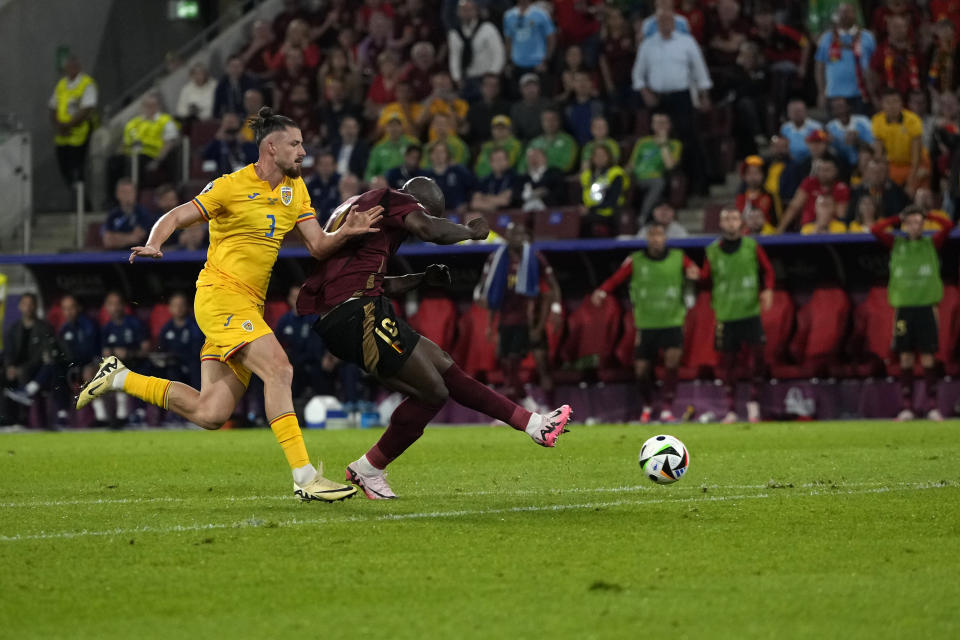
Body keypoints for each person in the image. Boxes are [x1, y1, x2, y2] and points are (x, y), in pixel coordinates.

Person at [76, 107, 384, 502]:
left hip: (247, 307)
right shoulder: (230, 186)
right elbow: (176, 215)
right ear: (271, 147)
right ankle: (305, 477)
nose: (303, 151)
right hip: (221, 297)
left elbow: (319, 245)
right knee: (279, 370)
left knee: (211, 413)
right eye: (296, 143)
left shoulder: (296, 189)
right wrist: (155, 242)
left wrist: (346, 232)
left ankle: (119, 377)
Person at [297, 176, 572, 499]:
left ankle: (534, 424)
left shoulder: (359, 209)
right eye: (421, 214)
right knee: (432, 392)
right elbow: (430, 230)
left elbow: (375, 280)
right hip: (357, 313)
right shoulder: (393, 198)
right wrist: (470, 233)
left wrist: (421, 279)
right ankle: (370, 467)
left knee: (443, 366)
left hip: (359, 308)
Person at [591, 222, 700, 423]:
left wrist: (694, 274)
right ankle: (648, 404)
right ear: (647, 238)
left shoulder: (678, 257)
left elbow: (695, 271)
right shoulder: (636, 260)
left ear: (665, 238)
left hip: (672, 320)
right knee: (641, 370)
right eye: (652, 235)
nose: (656, 239)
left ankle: (667, 407)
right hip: (646, 323)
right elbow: (617, 278)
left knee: (672, 364)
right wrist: (601, 290)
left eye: (660, 235)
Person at [871, 205, 954, 421]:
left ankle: (932, 406)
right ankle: (906, 407)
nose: (916, 226)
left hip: (927, 308)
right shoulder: (896, 244)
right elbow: (876, 230)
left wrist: (929, 214)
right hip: (904, 309)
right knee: (906, 356)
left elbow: (949, 225)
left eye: (919, 222)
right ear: (905, 225)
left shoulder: (931, 243)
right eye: (911, 222)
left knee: (928, 356)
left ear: (924, 224)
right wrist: (896, 216)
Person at [701, 207, 775, 424]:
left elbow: (768, 271)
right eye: (726, 219)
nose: (731, 223)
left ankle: (754, 404)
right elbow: (706, 278)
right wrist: (696, 275)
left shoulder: (752, 245)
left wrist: (768, 289)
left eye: (734, 218)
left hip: (750, 311)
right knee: (728, 364)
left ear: (740, 222)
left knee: (758, 358)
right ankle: (731, 409)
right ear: (721, 224)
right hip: (726, 314)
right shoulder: (712, 251)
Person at [477, 222, 560, 407]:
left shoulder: (534, 260)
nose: (519, 240)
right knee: (507, 365)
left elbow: (548, 292)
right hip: (507, 320)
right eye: (514, 235)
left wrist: (551, 314)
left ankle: (547, 408)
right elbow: (492, 293)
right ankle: (525, 404)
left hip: (531, 322)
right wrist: (490, 325)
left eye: (522, 236)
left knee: (540, 364)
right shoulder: (499, 260)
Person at [632, 11, 712, 194]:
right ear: (656, 24)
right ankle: (664, 186)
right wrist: (645, 91)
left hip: (681, 97)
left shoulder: (686, 42)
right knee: (660, 140)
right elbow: (638, 74)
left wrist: (704, 93)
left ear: (675, 23)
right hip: (658, 98)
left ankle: (698, 184)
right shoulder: (648, 45)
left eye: (669, 21)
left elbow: (700, 70)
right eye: (661, 21)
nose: (665, 24)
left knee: (688, 139)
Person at [1, 295, 58, 426]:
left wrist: (21, 368)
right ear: (20, 306)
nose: (28, 307)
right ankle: (5, 418)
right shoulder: (13, 329)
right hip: (14, 367)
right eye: (25, 304)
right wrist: (9, 366)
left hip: (34, 368)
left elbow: (42, 355)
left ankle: (22, 419)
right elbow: (8, 352)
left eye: (31, 304)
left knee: (24, 372)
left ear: (36, 306)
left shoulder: (44, 328)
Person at [107, 92, 180, 195]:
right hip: (131, 155)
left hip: (151, 156)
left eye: (152, 105)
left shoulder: (165, 121)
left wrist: (157, 161)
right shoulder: (134, 122)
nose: (149, 108)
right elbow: (124, 143)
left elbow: (170, 142)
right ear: (142, 107)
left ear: (158, 106)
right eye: (147, 105)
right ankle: (114, 198)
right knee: (113, 162)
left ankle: (136, 196)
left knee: (138, 163)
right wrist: (120, 154)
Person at [814, 3, 876, 114]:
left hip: (861, 94)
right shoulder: (827, 37)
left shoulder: (867, 37)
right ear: (836, 16)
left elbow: (875, 66)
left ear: (855, 15)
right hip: (834, 95)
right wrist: (821, 92)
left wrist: (875, 93)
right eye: (842, 13)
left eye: (848, 12)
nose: (845, 15)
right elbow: (820, 67)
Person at [49, 54, 97, 190]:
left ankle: (82, 201)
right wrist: (58, 126)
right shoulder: (62, 84)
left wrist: (68, 125)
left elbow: (87, 108)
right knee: (63, 163)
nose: (71, 69)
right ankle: (74, 190)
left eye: (74, 66)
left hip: (79, 131)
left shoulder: (86, 83)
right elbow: (52, 106)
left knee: (77, 165)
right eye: (69, 67)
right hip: (63, 133)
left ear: (79, 68)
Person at [627, 111, 682, 224]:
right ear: (652, 125)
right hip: (637, 178)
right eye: (657, 123)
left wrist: (663, 144)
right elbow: (632, 164)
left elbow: (670, 165)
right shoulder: (643, 142)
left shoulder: (675, 144)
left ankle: (643, 217)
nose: (660, 126)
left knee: (658, 183)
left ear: (669, 125)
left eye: (663, 123)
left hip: (656, 178)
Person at [872, 87, 927, 192]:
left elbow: (916, 158)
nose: (892, 106)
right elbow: (878, 154)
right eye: (888, 102)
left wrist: (910, 183)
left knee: (912, 191)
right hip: (894, 164)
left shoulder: (913, 120)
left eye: (895, 101)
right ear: (882, 104)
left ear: (901, 103)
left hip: (916, 163)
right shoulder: (877, 120)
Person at [447, 0, 505, 98]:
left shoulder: (488, 28)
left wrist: (493, 74)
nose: (467, 13)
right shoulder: (454, 33)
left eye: (470, 10)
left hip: (486, 77)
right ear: (458, 12)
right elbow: (454, 57)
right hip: (467, 79)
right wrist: (456, 78)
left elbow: (499, 53)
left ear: (476, 11)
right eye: (463, 10)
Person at [779, 155, 850, 232]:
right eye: (820, 169)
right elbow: (794, 207)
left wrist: (823, 223)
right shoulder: (809, 182)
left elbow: (841, 215)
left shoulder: (841, 188)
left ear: (836, 171)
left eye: (827, 170)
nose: (823, 173)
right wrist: (780, 229)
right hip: (806, 228)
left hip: (831, 229)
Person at [868, 14, 923, 104]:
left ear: (906, 28)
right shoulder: (881, 50)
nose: (899, 30)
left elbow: (922, 71)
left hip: (914, 100)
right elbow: (872, 75)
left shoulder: (915, 48)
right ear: (888, 29)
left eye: (901, 27)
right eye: (895, 27)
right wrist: (875, 99)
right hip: (890, 100)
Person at [155, 292, 204, 391]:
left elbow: (197, 350)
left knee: (195, 368)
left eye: (182, 305)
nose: (179, 308)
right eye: (175, 305)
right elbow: (161, 349)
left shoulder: (195, 326)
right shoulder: (166, 328)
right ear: (169, 308)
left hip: (193, 364)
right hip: (173, 365)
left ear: (187, 307)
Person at [580, 145, 628, 237]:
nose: (599, 158)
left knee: (587, 221)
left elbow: (613, 200)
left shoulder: (615, 173)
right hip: (590, 211)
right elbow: (583, 196)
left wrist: (591, 209)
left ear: (609, 157)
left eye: (603, 155)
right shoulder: (587, 175)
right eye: (596, 156)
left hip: (608, 213)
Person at [503, 0, 556, 79]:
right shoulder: (508, 16)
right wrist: (509, 62)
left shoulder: (542, 14)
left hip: (537, 64)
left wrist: (546, 60)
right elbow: (508, 41)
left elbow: (552, 39)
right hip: (517, 64)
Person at [847, 157, 909, 223]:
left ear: (887, 173)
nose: (877, 175)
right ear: (866, 173)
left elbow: (902, 215)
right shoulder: (859, 192)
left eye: (881, 171)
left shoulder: (896, 191)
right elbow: (850, 216)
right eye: (873, 172)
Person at [365, 116, 420, 183]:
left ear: (402, 127)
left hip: (407, 181)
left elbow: (422, 166)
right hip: (384, 184)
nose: (394, 129)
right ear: (386, 128)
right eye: (390, 125)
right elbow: (369, 172)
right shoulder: (378, 148)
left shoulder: (412, 144)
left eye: (397, 125)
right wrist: (374, 180)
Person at [102, 179, 153, 250]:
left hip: (138, 256)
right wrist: (130, 236)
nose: (127, 195)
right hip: (115, 256)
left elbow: (136, 239)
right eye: (124, 192)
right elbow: (108, 241)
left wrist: (116, 237)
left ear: (135, 194)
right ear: (117, 194)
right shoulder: (112, 215)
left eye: (130, 192)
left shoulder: (142, 213)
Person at [523, 109, 578, 173]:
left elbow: (567, 166)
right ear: (541, 122)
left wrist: (543, 165)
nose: (550, 123)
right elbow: (523, 165)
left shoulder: (568, 141)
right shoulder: (534, 142)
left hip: (554, 178)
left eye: (553, 119)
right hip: (532, 177)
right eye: (546, 120)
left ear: (559, 121)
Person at [425, 142, 474, 213]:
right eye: (435, 152)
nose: (438, 155)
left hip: (458, 214)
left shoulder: (458, 171)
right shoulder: (425, 175)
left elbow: (473, 188)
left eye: (441, 152)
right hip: (434, 215)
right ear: (430, 155)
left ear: (447, 155)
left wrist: (466, 203)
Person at [826, 97, 874, 168]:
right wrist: (832, 143)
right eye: (836, 108)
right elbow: (832, 152)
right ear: (833, 111)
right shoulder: (830, 127)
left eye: (841, 106)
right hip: (842, 164)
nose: (840, 111)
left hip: (864, 162)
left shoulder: (863, 121)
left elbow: (873, 145)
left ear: (848, 107)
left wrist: (857, 141)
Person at [466, 74, 511, 145]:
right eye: (488, 85)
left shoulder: (508, 107)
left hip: (502, 145)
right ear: (481, 87)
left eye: (495, 85)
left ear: (499, 88)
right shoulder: (473, 109)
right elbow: (469, 135)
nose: (491, 88)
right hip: (479, 147)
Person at [470, 148, 518, 213]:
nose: (498, 163)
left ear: (507, 161)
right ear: (491, 163)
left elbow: (505, 201)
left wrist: (485, 198)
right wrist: (492, 205)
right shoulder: (485, 180)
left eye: (500, 160)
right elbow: (475, 203)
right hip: (489, 216)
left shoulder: (515, 178)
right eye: (495, 160)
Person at [510, 74, 554, 141]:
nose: (531, 90)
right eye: (527, 86)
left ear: (539, 88)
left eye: (533, 86)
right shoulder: (516, 108)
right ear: (521, 89)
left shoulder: (548, 105)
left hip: (546, 141)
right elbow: (515, 132)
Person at [736, 155, 776, 227]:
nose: (753, 177)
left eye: (756, 173)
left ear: (763, 175)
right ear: (744, 176)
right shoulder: (740, 197)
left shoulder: (770, 196)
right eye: (749, 173)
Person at [304, 151, 341, 225]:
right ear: (317, 166)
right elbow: (305, 204)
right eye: (322, 165)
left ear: (335, 166)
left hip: (336, 220)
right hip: (317, 222)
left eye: (328, 165)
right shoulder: (311, 183)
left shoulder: (341, 182)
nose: (325, 168)